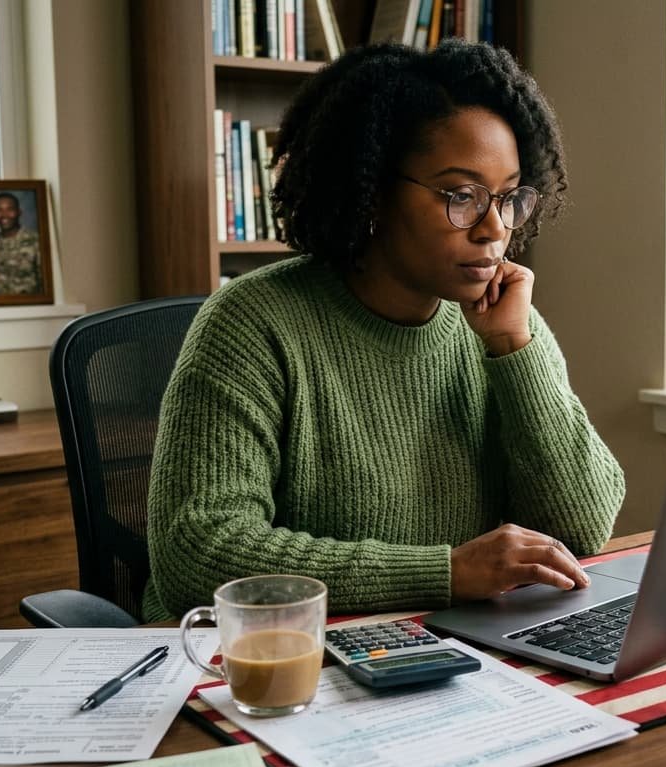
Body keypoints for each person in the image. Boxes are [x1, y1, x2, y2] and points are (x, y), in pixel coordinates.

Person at [144, 41, 625, 620]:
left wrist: (513, 352)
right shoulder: (252, 324)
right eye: (461, 195)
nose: (494, 228)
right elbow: (197, 555)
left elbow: (586, 526)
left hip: (450, 655)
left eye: (507, 198)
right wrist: (445, 573)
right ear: (370, 189)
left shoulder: (504, 322)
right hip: (278, 667)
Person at [0, 192, 42, 294]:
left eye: (10, 209)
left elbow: (47, 282)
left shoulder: (36, 240)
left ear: (19, 212)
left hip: (30, 306)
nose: (4, 215)